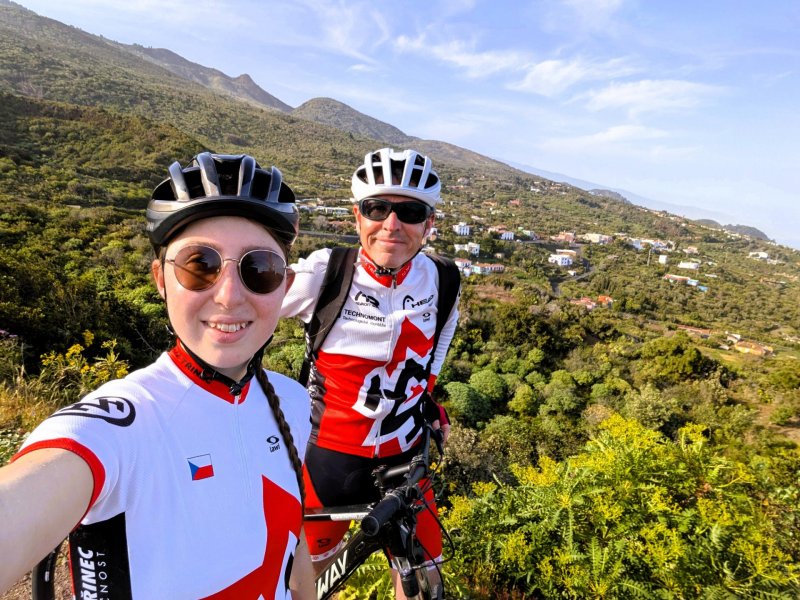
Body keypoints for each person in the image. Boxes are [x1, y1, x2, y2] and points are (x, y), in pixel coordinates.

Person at [0, 152, 315, 599]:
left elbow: (293, 547)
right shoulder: (125, 424)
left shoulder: (293, 402)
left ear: (286, 284)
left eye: (259, 270)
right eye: (199, 265)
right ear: (161, 279)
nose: (228, 296)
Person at [281, 147, 460, 597]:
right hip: (330, 460)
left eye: (410, 211)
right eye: (377, 208)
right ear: (357, 216)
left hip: (405, 455)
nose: (392, 224)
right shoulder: (326, 272)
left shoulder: (444, 280)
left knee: (424, 577)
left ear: (429, 223)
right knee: (309, 581)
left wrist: (427, 401)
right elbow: (245, 313)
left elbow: (433, 355)